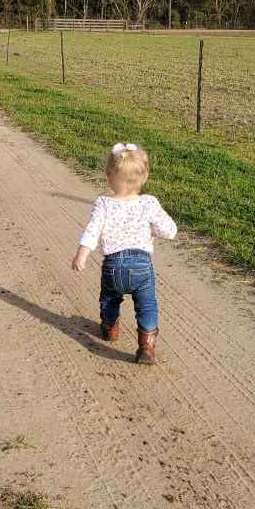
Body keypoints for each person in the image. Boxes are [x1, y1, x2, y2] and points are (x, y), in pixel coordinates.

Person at [72, 142, 177, 365]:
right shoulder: (149, 202)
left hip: (113, 266)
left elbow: (92, 230)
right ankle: (146, 345)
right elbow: (169, 231)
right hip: (141, 266)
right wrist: (156, 228)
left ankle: (110, 327)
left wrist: (82, 254)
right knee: (147, 305)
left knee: (110, 298)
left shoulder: (103, 204)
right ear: (145, 177)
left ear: (108, 177)